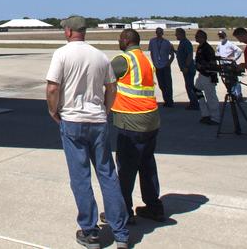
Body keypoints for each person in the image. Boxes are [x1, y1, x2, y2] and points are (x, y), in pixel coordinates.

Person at [45, 15, 129, 249]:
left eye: (65, 30)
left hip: (72, 121)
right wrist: (106, 109)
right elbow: (112, 87)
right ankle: (121, 233)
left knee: (80, 177)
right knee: (107, 174)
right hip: (98, 120)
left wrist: (53, 111)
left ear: (70, 31)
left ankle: (90, 231)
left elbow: (53, 87)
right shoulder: (100, 56)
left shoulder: (61, 54)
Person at [111, 29, 166, 223]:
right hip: (151, 120)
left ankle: (123, 213)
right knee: (147, 164)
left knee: (126, 168)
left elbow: (103, 79)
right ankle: (154, 207)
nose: (118, 40)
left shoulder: (123, 60)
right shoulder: (144, 59)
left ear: (126, 40)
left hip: (131, 121)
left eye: (119, 38)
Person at [192, 29, 221, 125]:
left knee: (211, 96)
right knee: (197, 90)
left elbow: (212, 63)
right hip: (202, 75)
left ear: (203, 37)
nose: (195, 37)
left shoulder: (207, 48)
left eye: (197, 36)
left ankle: (215, 118)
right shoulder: (201, 47)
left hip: (207, 75)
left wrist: (204, 67)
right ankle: (205, 114)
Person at [148, 27, 175, 107]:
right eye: (157, 32)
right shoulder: (152, 41)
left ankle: (169, 101)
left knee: (168, 84)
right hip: (157, 66)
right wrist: (154, 62)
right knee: (161, 84)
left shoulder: (167, 42)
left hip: (165, 66)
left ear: (162, 33)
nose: (159, 34)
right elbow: (152, 52)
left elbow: (172, 55)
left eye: (160, 32)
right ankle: (166, 99)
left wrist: (169, 63)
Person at [215, 30, 243, 100]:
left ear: (225, 36)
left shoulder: (230, 44)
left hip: (230, 64)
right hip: (223, 65)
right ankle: (231, 93)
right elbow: (217, 52)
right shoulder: (219, 44)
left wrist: (234, 58)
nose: (221, 37)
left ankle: (238, 95)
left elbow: (239, 50)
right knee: (227, 80)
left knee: (234, 80)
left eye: (222, 35)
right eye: (220, 36)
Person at [175, 28, 198, 111]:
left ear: (181, 34)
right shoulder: (182, 43)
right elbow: (182, 54)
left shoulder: (186, 43)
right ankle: (194, 102)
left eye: (177, 34)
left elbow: (189, 55)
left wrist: (186, 67)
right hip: (186, 69)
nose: (175, 35)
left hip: (188, 69)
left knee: (190, 87)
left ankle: (194, 103)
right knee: (189, 86)